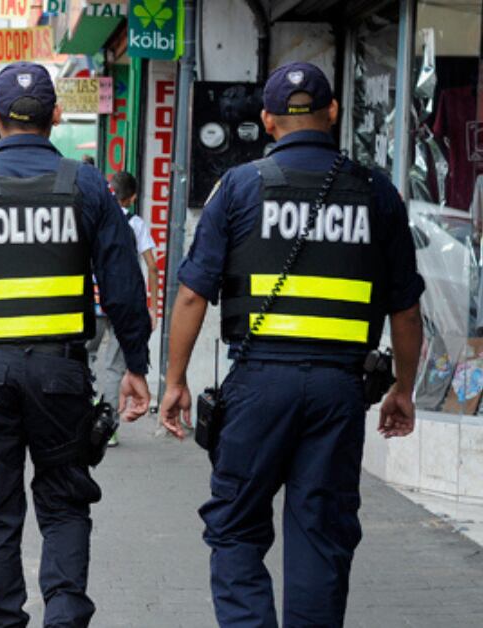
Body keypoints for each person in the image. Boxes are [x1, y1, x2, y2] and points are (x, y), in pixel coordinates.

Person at [159, 63, 424, 627]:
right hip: (339, 391)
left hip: (257, 385)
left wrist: (175, 381)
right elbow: (405, 309)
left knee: (234, 526)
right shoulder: (378, 193)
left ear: (267, 121)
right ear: (332, 114)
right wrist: (403, 388)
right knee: (322, 535)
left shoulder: (237, 186)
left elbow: (190, 297)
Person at [0, 61, 152, 627]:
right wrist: (136, 365)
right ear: (57, 116)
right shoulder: (87, 184)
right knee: (65, 501)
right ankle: (64, 617)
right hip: (61, 372)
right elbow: (124, 287)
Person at [87, 171, 159, 446]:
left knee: (86, 357)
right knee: (115, 365)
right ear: (132, 198)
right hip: (125, 304)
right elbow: (151, 266)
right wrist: (151, 307)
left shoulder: (95, 219)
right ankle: (108, 426)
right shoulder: (135, 223)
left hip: (92, 302)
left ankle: (86, 407)